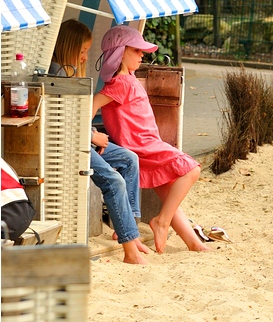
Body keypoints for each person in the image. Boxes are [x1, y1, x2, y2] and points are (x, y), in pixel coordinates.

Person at [92, 25, 209, 255]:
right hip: (142, 145)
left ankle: (193, 243)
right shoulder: (120, 83)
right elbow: (91, 106)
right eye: (136, 50)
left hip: (146, 143)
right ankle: (161, 222)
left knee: (168, 192)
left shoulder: (129, 78)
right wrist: (91, 135)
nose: (142, 55)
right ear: (121, 52)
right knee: (191, 169)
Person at [52, 19, 151, 264]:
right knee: (114, 181)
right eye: (83, 51)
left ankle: (129, 230)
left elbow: (75, 115)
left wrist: (91, 133)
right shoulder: (57, 74)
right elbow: (59, 122)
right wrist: (92, 136)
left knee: (129, 159)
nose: (85, 57)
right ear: (68, 47)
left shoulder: (66, 71)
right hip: (70, 144)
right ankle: (130, 248)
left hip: (80, 137)